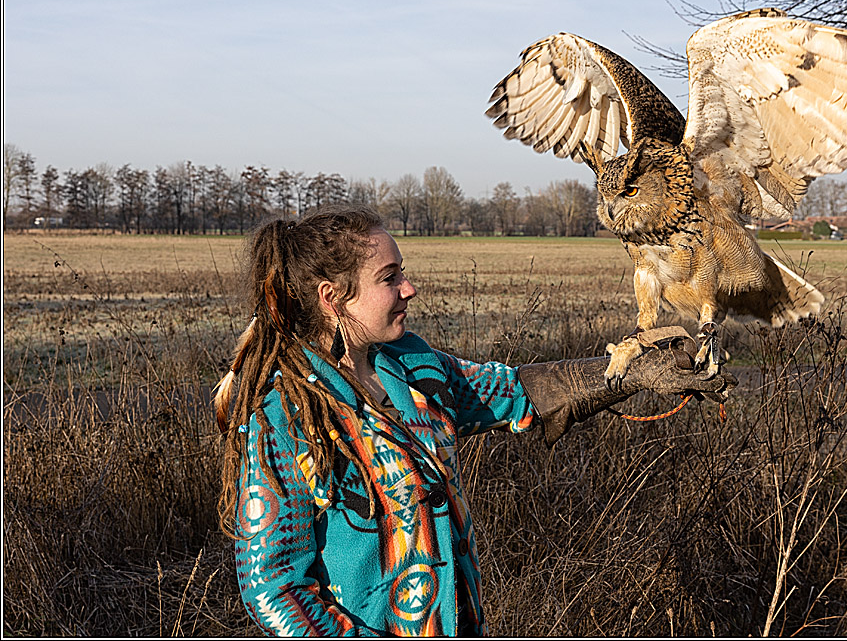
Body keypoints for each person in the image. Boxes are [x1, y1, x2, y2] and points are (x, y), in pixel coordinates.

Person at [215, 204, 733, 636]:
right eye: (389, 278)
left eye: (403, 272)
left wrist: (630, 370)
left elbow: (514, 391)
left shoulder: (413, 367)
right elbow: (274, 587)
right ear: (332, 298)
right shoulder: (284, 415)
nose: (410, 288)